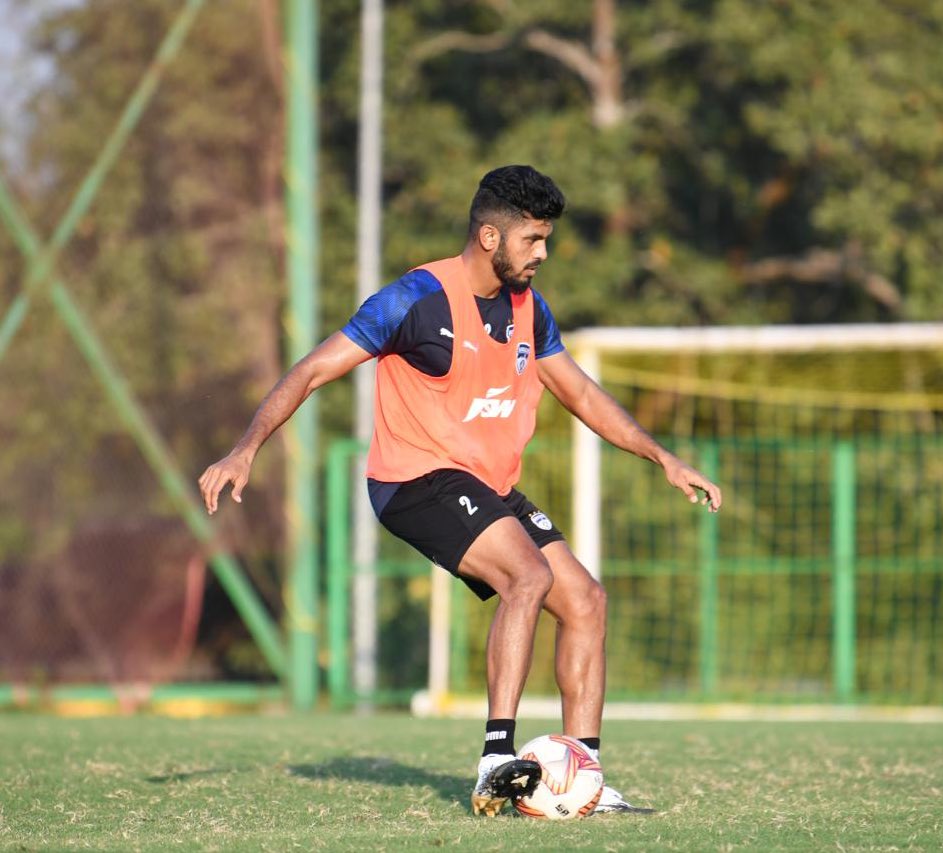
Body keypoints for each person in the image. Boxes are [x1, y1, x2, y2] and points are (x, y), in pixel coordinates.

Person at [198, 165, 722, 816]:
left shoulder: (532, 310)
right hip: (413, 480)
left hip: (485, 482)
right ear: (489, 237)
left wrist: (662, 456)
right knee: (526, 576)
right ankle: (495, 759)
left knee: (585, 599)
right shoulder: (416, 300)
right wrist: (246, 448)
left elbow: (582, 393)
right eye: (533, 239)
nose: (544, 253)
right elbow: (311, 371)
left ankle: (584, 774)